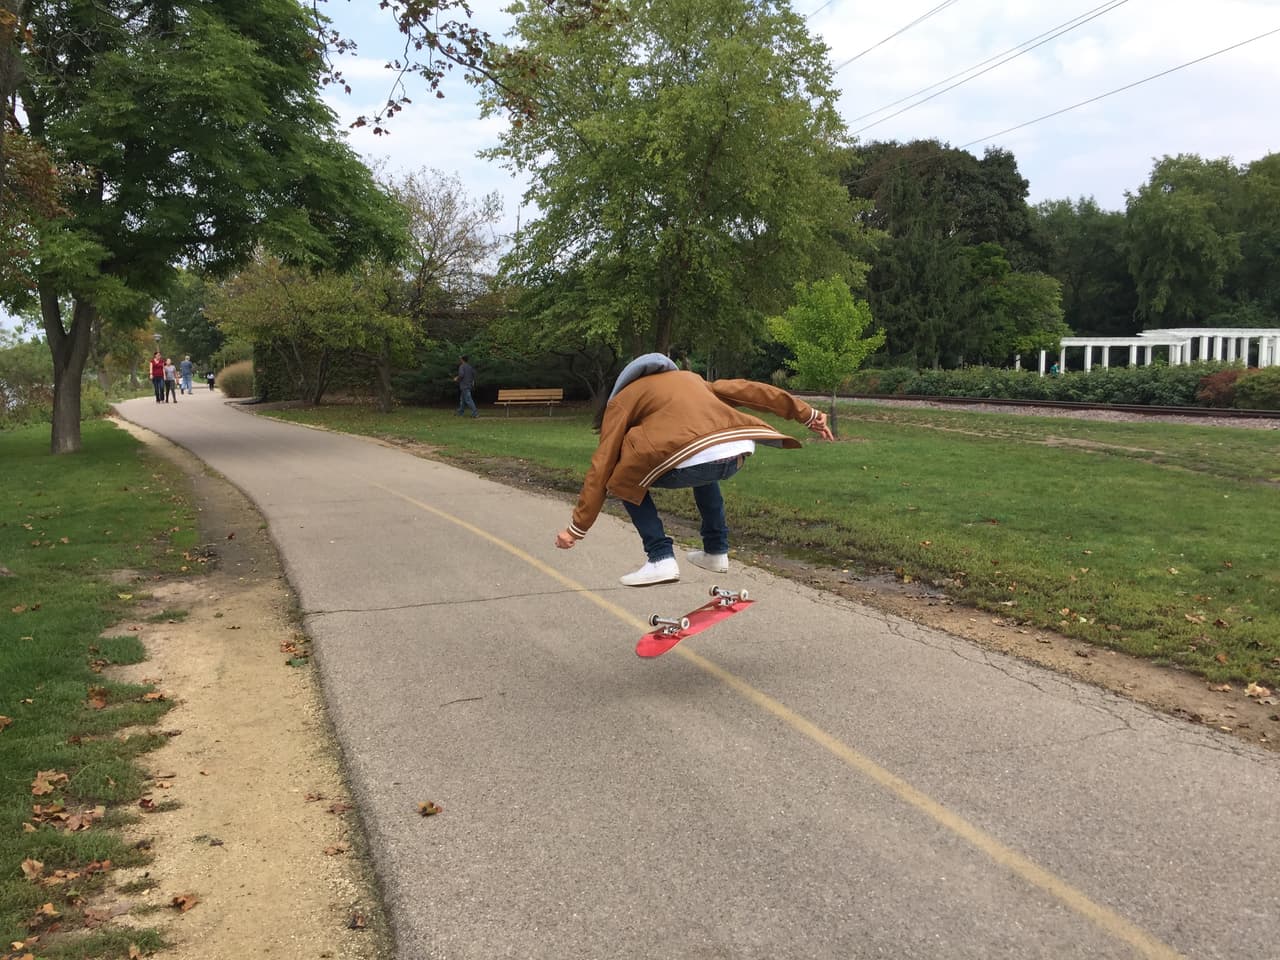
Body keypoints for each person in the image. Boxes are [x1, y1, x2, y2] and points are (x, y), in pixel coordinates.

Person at [554, 353, 833, 586]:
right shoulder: (693, 379)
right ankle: (716, 550)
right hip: (735, 454)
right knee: (700, 462)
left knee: (619, 479)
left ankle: (660, 557)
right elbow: (754, 391)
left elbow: (602, 462)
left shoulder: (623, 398)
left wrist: (577, 528)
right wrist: (808, 415)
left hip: (695, 456)